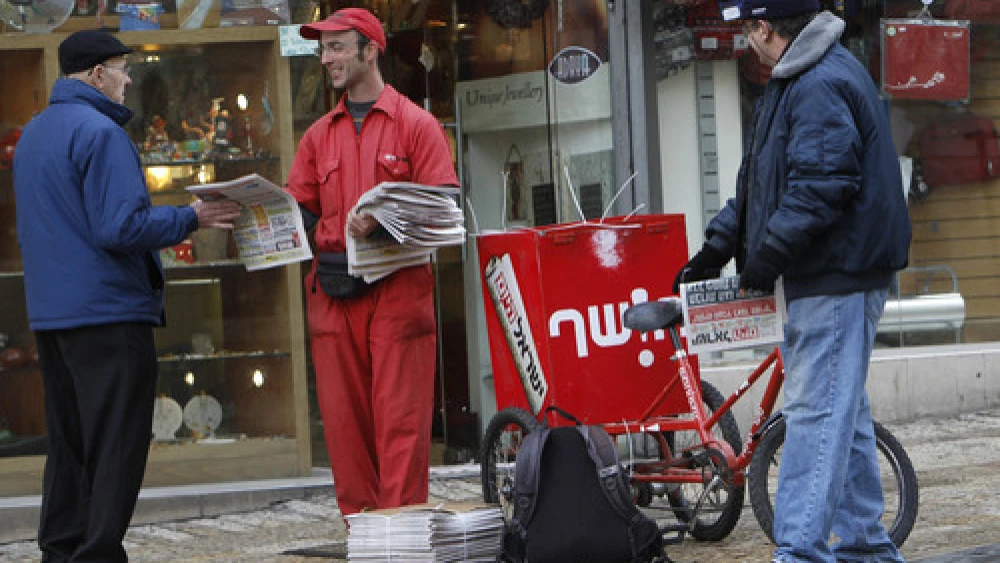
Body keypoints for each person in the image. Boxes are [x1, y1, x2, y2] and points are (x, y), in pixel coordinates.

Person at [674, 2, 911, 562]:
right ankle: (866, 549)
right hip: (830, 274)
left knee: (815, 416)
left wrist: (766, 257)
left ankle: (800, 554)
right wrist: (718, 248)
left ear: (764, 29)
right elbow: (763, 187)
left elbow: (821, 187)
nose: (745, 39)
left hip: (834, 277)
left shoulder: (817, 83)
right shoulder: (801, 77)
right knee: (843, 416)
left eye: (746, 28)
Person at [12, 30, 242, 562]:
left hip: (52, 314)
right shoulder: (102, 133)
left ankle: (61, 549)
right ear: (97, 75)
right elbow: (120, 226)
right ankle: (96, 553)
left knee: (69, 443)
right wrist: (191, 216)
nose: (129, 79)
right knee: (117, 442)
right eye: (122, 68)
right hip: (109, 312)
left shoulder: (35, 134)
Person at [286, 8, 459, 517]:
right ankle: (360, 539)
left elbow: (444, 207)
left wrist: (383, 222)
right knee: (344, 432)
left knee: (401, 427)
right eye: (323, 49)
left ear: (369, 49)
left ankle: (400, 540)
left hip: (397, 293)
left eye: (337, 47)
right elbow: (299, 210)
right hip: (334, 298)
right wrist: (260, 216)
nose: (327, 58)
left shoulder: (417, 125)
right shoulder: (318, 135)